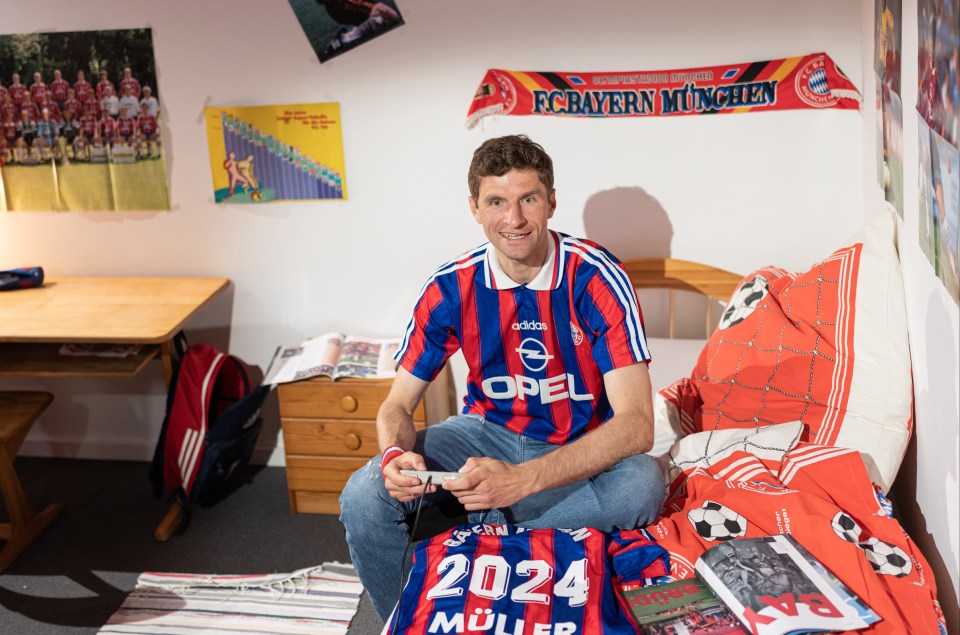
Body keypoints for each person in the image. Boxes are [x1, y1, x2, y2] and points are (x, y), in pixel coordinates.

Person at [339, 134, 665, 621]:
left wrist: (521, 482)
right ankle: (401, 623)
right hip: (484, 434)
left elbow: (638, 425)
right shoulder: (451, 284)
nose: (513, 219)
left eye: (527, 199)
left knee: (643, 484)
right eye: (496, 201)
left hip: (575, 444)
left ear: (551, 201)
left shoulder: (597, 276)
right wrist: (392, 455)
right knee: (363, 496)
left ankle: (480, 525)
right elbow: (397, 406)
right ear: (475, 208)